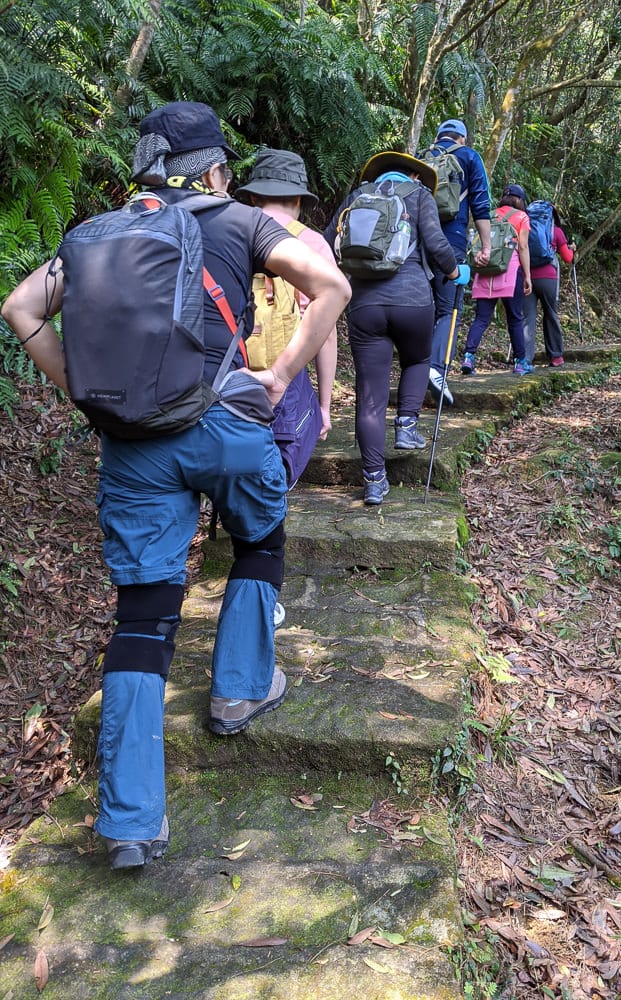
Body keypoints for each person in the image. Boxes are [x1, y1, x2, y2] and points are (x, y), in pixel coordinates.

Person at [1, 101, 351, 870]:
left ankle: (128, 823)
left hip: (132, 448)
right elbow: (332, 288)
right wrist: (282, 376)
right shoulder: (240, 222)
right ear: (216, 168)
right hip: (227, 428)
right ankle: (239, 687)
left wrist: (84, 395)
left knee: (144, 613)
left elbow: (20, 306)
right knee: (259, 537)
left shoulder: (95, 233)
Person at [323, 150, 468, 505]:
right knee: (417, 361)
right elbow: (436, 243)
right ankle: (406, 427)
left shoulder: (358, 197)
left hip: (364, 306)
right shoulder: (419, 196)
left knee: (370, 395)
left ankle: (374, 480)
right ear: (414, 176)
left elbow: (327, 244)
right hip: (413, 301)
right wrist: (455, 272)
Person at [235, 147, 338, 451]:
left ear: (253, 198)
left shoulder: (226, 233)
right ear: (298, 200)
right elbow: (327, 334)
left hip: (230, 373)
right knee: (276, 464)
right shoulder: (312, 244)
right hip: (286, 376)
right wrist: (324, 406)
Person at [426, 119, 492, 407]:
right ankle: (436, 369)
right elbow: (480, 204)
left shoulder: (421, 157)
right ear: (462, 138)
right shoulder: (468, 157)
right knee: (448, 309)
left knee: (422, 308)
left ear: (439, 136)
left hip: (416, 244)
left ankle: (416, 371)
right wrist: (486, 245)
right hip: (450, 245)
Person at [459, 184, 533, 377]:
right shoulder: (522, 217)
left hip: (485, 272)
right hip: (510, 272)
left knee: (481, 318)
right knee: (515, 318)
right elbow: (523, 248)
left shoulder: (489, 215)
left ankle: (468, 357)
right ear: (519, 200)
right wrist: (527, 276)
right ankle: (520, 362)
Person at [523, 204, 575, 366]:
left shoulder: (526, 227)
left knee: (527, 318)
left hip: (528, 277)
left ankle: (524, 359)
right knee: (551, 314)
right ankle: (556, 356)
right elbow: (567, 258)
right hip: (548, 278)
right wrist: (572, 249)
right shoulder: (556, 231)